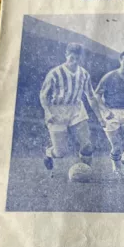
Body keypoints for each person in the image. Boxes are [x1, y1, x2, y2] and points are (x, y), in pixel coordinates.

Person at [40, 43, 104, 171]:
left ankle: (85, 172)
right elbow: (43, 95)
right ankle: (48, 153)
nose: (74, 62)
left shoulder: (84, 74)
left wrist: (100, 117)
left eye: (77, 59)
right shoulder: (55, 73)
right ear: (66, 55)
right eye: (71, 58)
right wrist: (47, 112)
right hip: (57, 110)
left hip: (76, 109)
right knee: (60, 152)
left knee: (87, 146)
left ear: (81, 58)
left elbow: (91, 96)